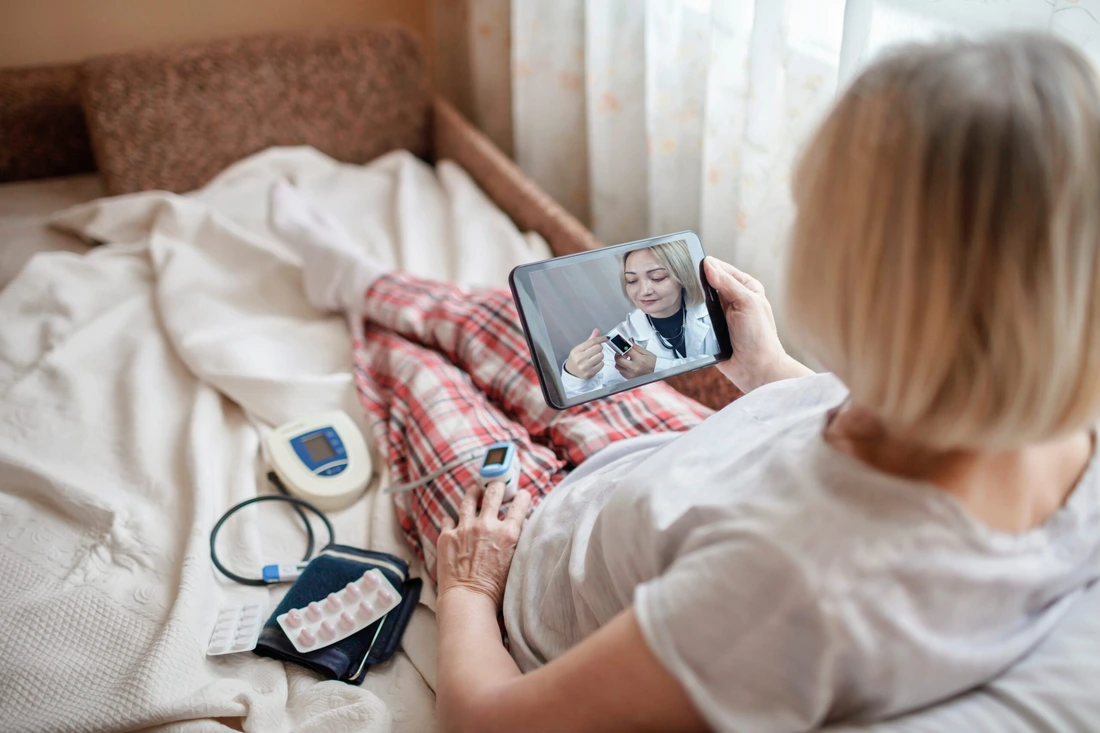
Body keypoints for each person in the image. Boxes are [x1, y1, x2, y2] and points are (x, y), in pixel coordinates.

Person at [270, 34, 1100, 733]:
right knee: (507, 325)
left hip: (531, 562)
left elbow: (488, 721)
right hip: (675, 469)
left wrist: (468, 586)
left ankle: (366, 312)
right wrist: (769, 371)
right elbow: (869, 439)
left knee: (419, 374)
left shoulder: (789, 587)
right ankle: (365, 281)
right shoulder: (1051, 430)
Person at [560, 240, 718, 397]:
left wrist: (656, 368)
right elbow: (593, 403)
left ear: (683, 277)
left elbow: (722, 372)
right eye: (632, 281)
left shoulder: (716, 313)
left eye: (657, 277)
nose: (644, 291)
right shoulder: (617, 343)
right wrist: (574, 377)